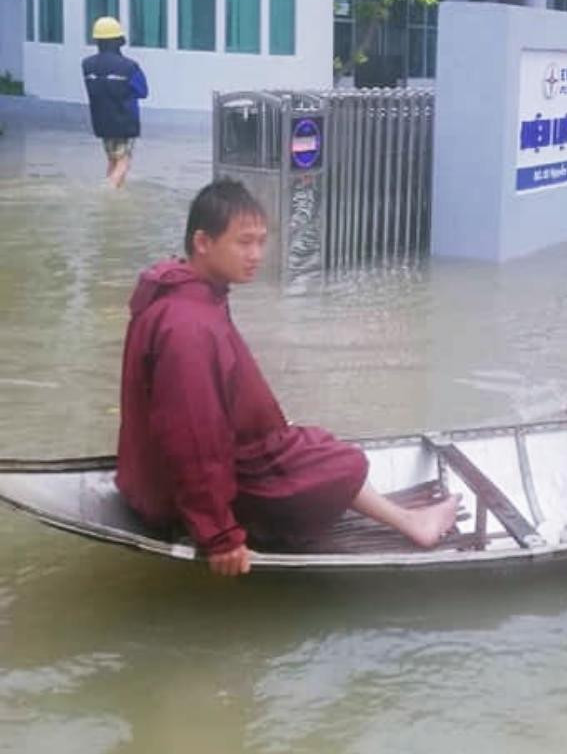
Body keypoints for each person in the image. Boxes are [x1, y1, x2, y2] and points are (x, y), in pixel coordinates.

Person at [116, 179, 460, 575]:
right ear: (203, 242)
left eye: (262, 242)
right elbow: (194, 438)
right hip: (176, 498)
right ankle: (415, 523)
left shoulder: (180, 293)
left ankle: (406, 517)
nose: (256, 255)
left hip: (152, 480)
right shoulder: (189, 326)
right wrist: (219, 536)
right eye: (244, 242)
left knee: (315, 443)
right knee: (342, 463)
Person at [82, 17, 149, 188]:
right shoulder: (129, 67)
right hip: (124, 123)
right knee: (124, 161)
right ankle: (107, 191)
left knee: (113, 159)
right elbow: (143, 92)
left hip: (101, 122)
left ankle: (114, 189)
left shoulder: (87, 65)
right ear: (120, 41)